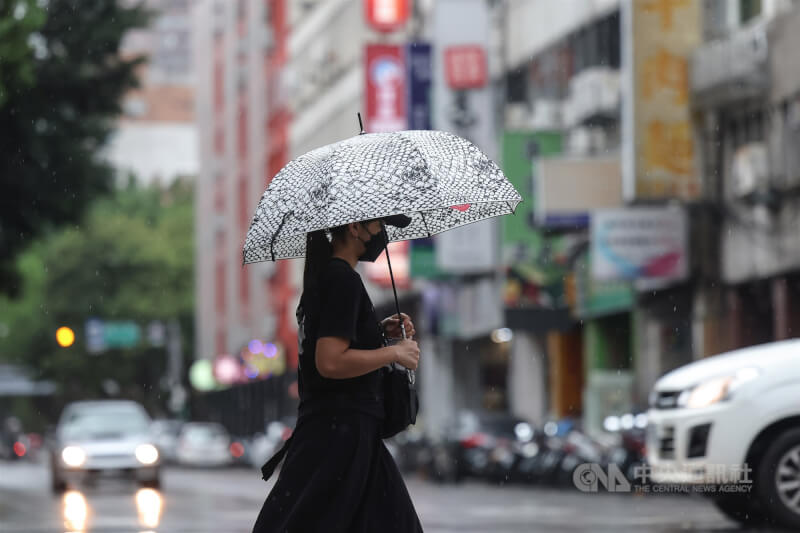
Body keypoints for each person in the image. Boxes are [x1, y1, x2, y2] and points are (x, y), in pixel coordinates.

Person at [252, 215, 424, 533]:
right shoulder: (341, 279)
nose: (381, 233)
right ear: (354, 228)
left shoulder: (326, 278)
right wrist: (395, 352)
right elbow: (329, 362)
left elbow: (330, 344)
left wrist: (375, 330)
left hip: (338, 435)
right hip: (342, 440)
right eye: (377, 225)